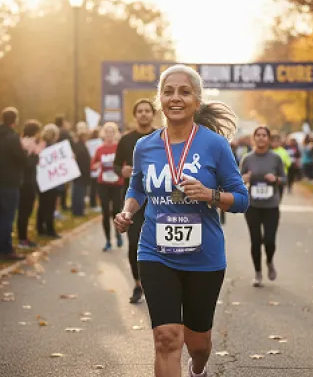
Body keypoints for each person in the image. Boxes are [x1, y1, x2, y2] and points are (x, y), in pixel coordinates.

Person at [113, 64, 248, 377]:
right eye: (168, 91)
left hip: (204, 257)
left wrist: (210, 195)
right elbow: (136, 187)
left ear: (196, 101)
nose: (176, 97)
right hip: (155, 252)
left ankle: (197, 368)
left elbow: (241, 199)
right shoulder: (144, 146)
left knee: (197, 343)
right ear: (160, 99)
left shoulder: (215, 145)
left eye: (184, 92)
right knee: (166, 338)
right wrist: (128, 211)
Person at [114, 98, 156, 303]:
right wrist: (121, 171)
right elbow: (115, 165)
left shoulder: (161, 137)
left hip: (158, 198)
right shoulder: (126, 140)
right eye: (140, 111)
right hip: (133, 198)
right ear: (135, 115)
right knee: (133, 244)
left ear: (153, 114)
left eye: (147, 110)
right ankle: (138, 283)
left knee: (158, 243)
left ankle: (157, 283)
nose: (144, 114)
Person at [240, 126, 286, 287]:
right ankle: (258, 273)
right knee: (255, 240)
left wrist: (276, 179)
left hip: (271, 205)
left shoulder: (276, 158)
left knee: (269, 240)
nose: (261, 138)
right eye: (258, 135)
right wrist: (244, 177)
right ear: (254, 138)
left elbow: (284, 179)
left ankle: (270, 261)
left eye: (264, 135)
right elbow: (237, 180)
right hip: (252, 205)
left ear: (268, 139)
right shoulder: (247, 159)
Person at [0, 107, 34, 260]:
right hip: (10, 182)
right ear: (15, 121)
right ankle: (6, 249)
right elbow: (22, 160)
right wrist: (28, 151)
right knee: (7, 216)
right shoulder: (12, 137)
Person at [91, 122, 123, 251]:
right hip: (103, 184)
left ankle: (118, 234)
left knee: (116, 211)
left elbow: (125, 164)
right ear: (103, 134)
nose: (109, 135)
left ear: (115, 134)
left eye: (112, 132)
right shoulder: (99, 149)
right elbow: (92, 166)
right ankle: (108, 241)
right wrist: (97, 165)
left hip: (117, 184)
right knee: (105, 212)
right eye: (107, 132)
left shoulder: (119, 148)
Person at [17, 120, 45, 249]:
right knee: (24, 211)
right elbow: (28, 164)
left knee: (26, 211)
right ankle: (22, 239)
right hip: (26, 183)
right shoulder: (26, 144)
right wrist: (36, 154)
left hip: (29, 182)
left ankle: (24, 238)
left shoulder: (25, 142)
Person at [37, 124, 61, 239]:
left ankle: (40, 228)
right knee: (50, 206)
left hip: (42, 181)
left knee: (42, 205)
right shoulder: (54, 148)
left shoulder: (40, 146)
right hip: (52, 181)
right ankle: (50, 230)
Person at [71, 128, 91, 216]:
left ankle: (76, 209)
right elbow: (85, 161)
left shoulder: (76, 145)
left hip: (76, 173)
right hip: (82, 173)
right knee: (80, 192)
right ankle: (79, 211)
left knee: (76, 191)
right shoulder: (81, 147)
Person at [270, 130, 291, 201]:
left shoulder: (283, 151)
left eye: (277, 141)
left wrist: (284, 163)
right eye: (273, 141)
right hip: (270, 177)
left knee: (279, 197)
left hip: (280, 178)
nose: (275, 143)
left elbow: (289, 163)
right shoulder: (268, 151)